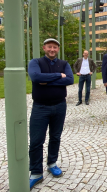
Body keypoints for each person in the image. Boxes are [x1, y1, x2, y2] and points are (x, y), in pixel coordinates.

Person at [28, 38, 74, 190]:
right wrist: (58, 76)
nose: (52, 49)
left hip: (60, 106)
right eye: (49, 47)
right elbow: (35, 77)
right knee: (36, 141)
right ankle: (36, 173)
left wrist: (46, 81)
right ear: (44, 48)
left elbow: (70, 80)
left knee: (55, 137)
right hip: (40, 107)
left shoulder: (64, 64)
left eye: (55, 47)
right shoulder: (35, 62)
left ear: (58, 49)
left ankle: (52, 163)